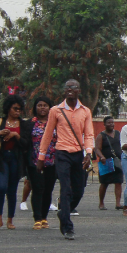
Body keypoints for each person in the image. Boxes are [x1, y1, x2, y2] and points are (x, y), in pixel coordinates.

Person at [37, 79, 95, 240]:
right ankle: (68, 227)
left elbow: (89, 134)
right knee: (65, 188)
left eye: (74, 87)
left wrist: (88, 153)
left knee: (79, 190)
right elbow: (48, 134)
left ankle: (64, 211)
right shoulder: (56, 110)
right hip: (61, 153)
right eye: (67, 87)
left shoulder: (85, 111)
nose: (70, 89)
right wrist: (41, 157)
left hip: (79, 153)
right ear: (64, 91)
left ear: (79, 91)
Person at [0, 95, 29, 230]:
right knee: (1, 187)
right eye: (15, 108)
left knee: (12, 190)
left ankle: (9, 220)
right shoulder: (0, 121)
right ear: (8, 108)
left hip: (15, 159)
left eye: (19, 109)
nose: (17, 111)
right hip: (1, 159)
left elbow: (26, 144)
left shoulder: (23, 124)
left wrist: (16, 135)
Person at [25, 96, 58, 229]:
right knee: (37, 188)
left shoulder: (56, 123)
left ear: (50, 108)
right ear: (35, 107)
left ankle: (44, 217)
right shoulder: (29, 124)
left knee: (48, 190)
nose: (42, 107)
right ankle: (37, 218)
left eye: (45, 105)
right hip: (34, 161)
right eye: (39, 105)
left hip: (52, 161)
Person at [94, 116, 123, 210]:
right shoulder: (101, 135)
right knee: (104, 183)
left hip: (117, 162)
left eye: (112, 122)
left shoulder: (118, 133)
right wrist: (101, 156)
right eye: (109, 123)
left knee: (118, 182)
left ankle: (118, 203)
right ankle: (101, 203)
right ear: (104, 124)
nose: (111, 124)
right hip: (106, 162)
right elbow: (97, 148)